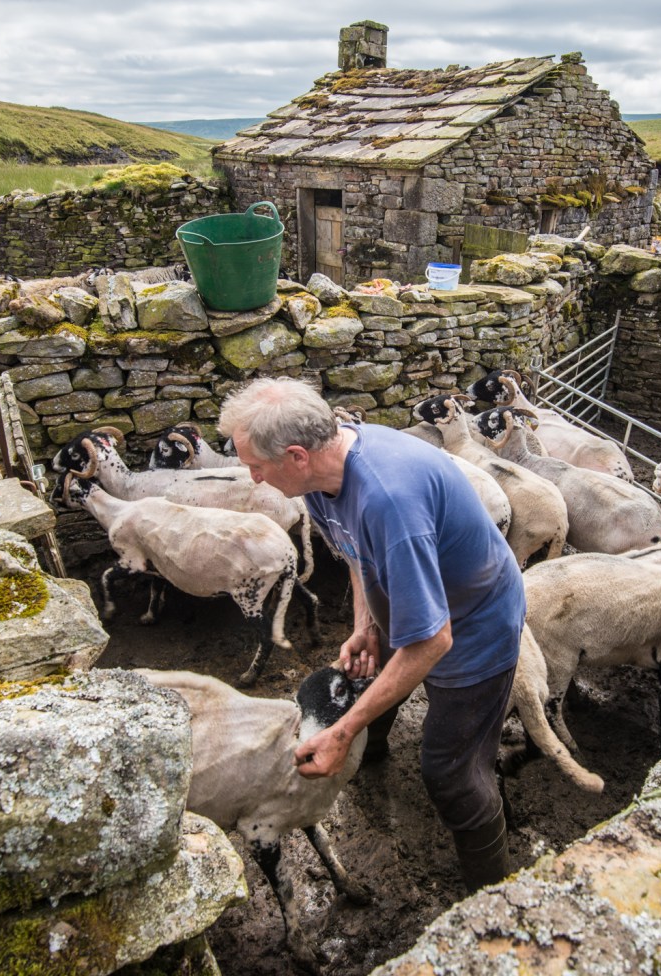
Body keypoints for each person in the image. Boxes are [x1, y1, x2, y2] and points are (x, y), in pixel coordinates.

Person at [218, 376, 526, 893]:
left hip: (475, 628)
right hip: (419, 602)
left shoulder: (389, 500)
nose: (251, 477)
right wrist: (366, 624)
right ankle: (372, 753)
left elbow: (432, 642)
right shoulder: (321, 475)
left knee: (451, 770)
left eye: (256, 466)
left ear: (295, 455)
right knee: (366, 671)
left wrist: (339, 732)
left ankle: (494, 890)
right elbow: (355, 548)